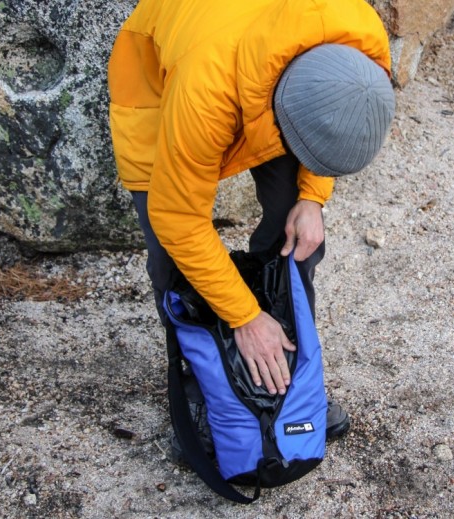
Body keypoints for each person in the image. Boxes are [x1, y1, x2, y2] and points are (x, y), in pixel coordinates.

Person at [108, 0, 395, 450]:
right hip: (165, 80)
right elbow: (179, 219)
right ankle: (203, 384)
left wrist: (312, 197)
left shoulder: (362, 41)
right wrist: (242, 315)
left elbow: (338, 115)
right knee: (172, 259)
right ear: (281, 110)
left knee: (295, 232)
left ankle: (284, 376)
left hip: (262, 54)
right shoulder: (203, 91)